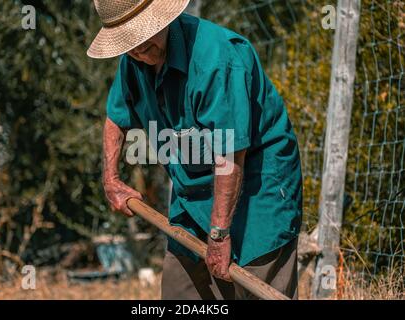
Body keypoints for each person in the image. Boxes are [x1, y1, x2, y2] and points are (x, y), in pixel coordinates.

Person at [88, 0, 303, 300]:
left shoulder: (218, 58)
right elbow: (116, 116)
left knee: (249, 290)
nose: (136, 49)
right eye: (127, 42)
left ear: (161, 19)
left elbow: (229, 155)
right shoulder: (134, 61)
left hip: (257, 189)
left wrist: (218, 234)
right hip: (193, 193)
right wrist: (110, 179)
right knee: (181, 293)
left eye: (139, 36)